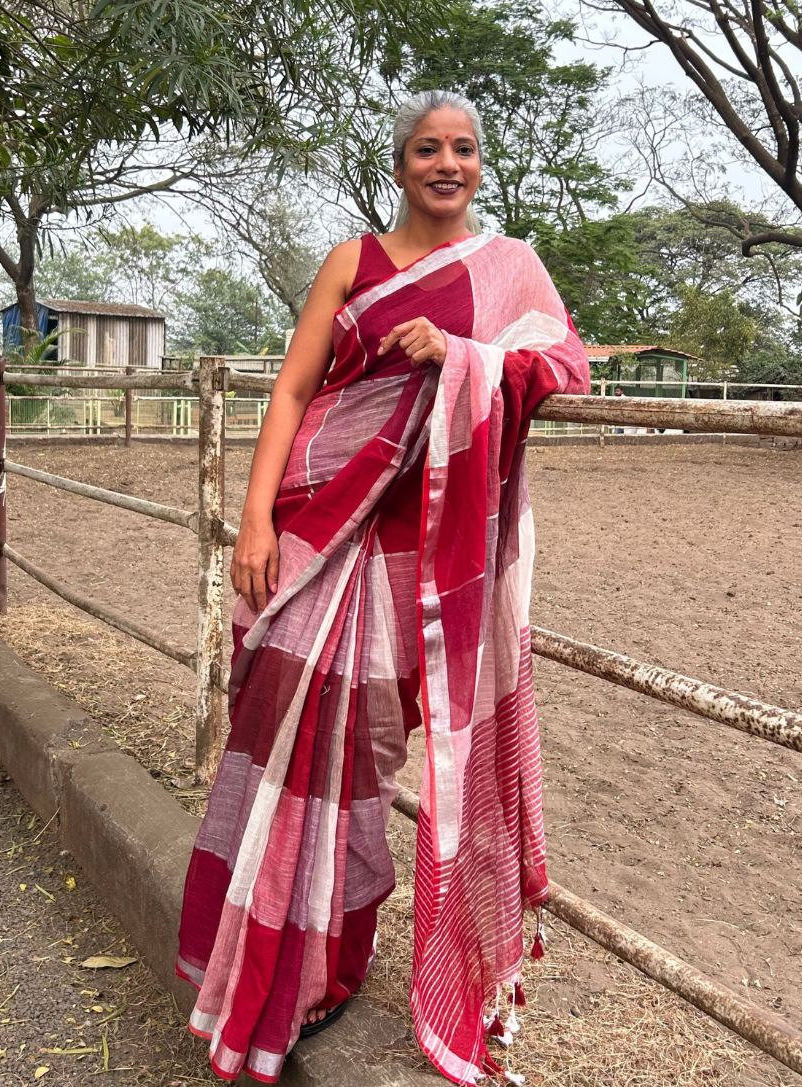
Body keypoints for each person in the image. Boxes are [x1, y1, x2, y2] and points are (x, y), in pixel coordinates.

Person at [175, 89, 591, 1086]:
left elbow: (562, 365)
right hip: (316, 527)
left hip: (424, 548)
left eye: (463, 149)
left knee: (362, 751)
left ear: (478, 165)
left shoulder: (508, 270)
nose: (446, 164)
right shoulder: (350, 262)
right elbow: (292, 389)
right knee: (283, 727)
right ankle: (277, 966)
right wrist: (254, 519)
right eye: (426, 149)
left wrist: (462, 354)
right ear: (399, 164)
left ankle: (328, 957)